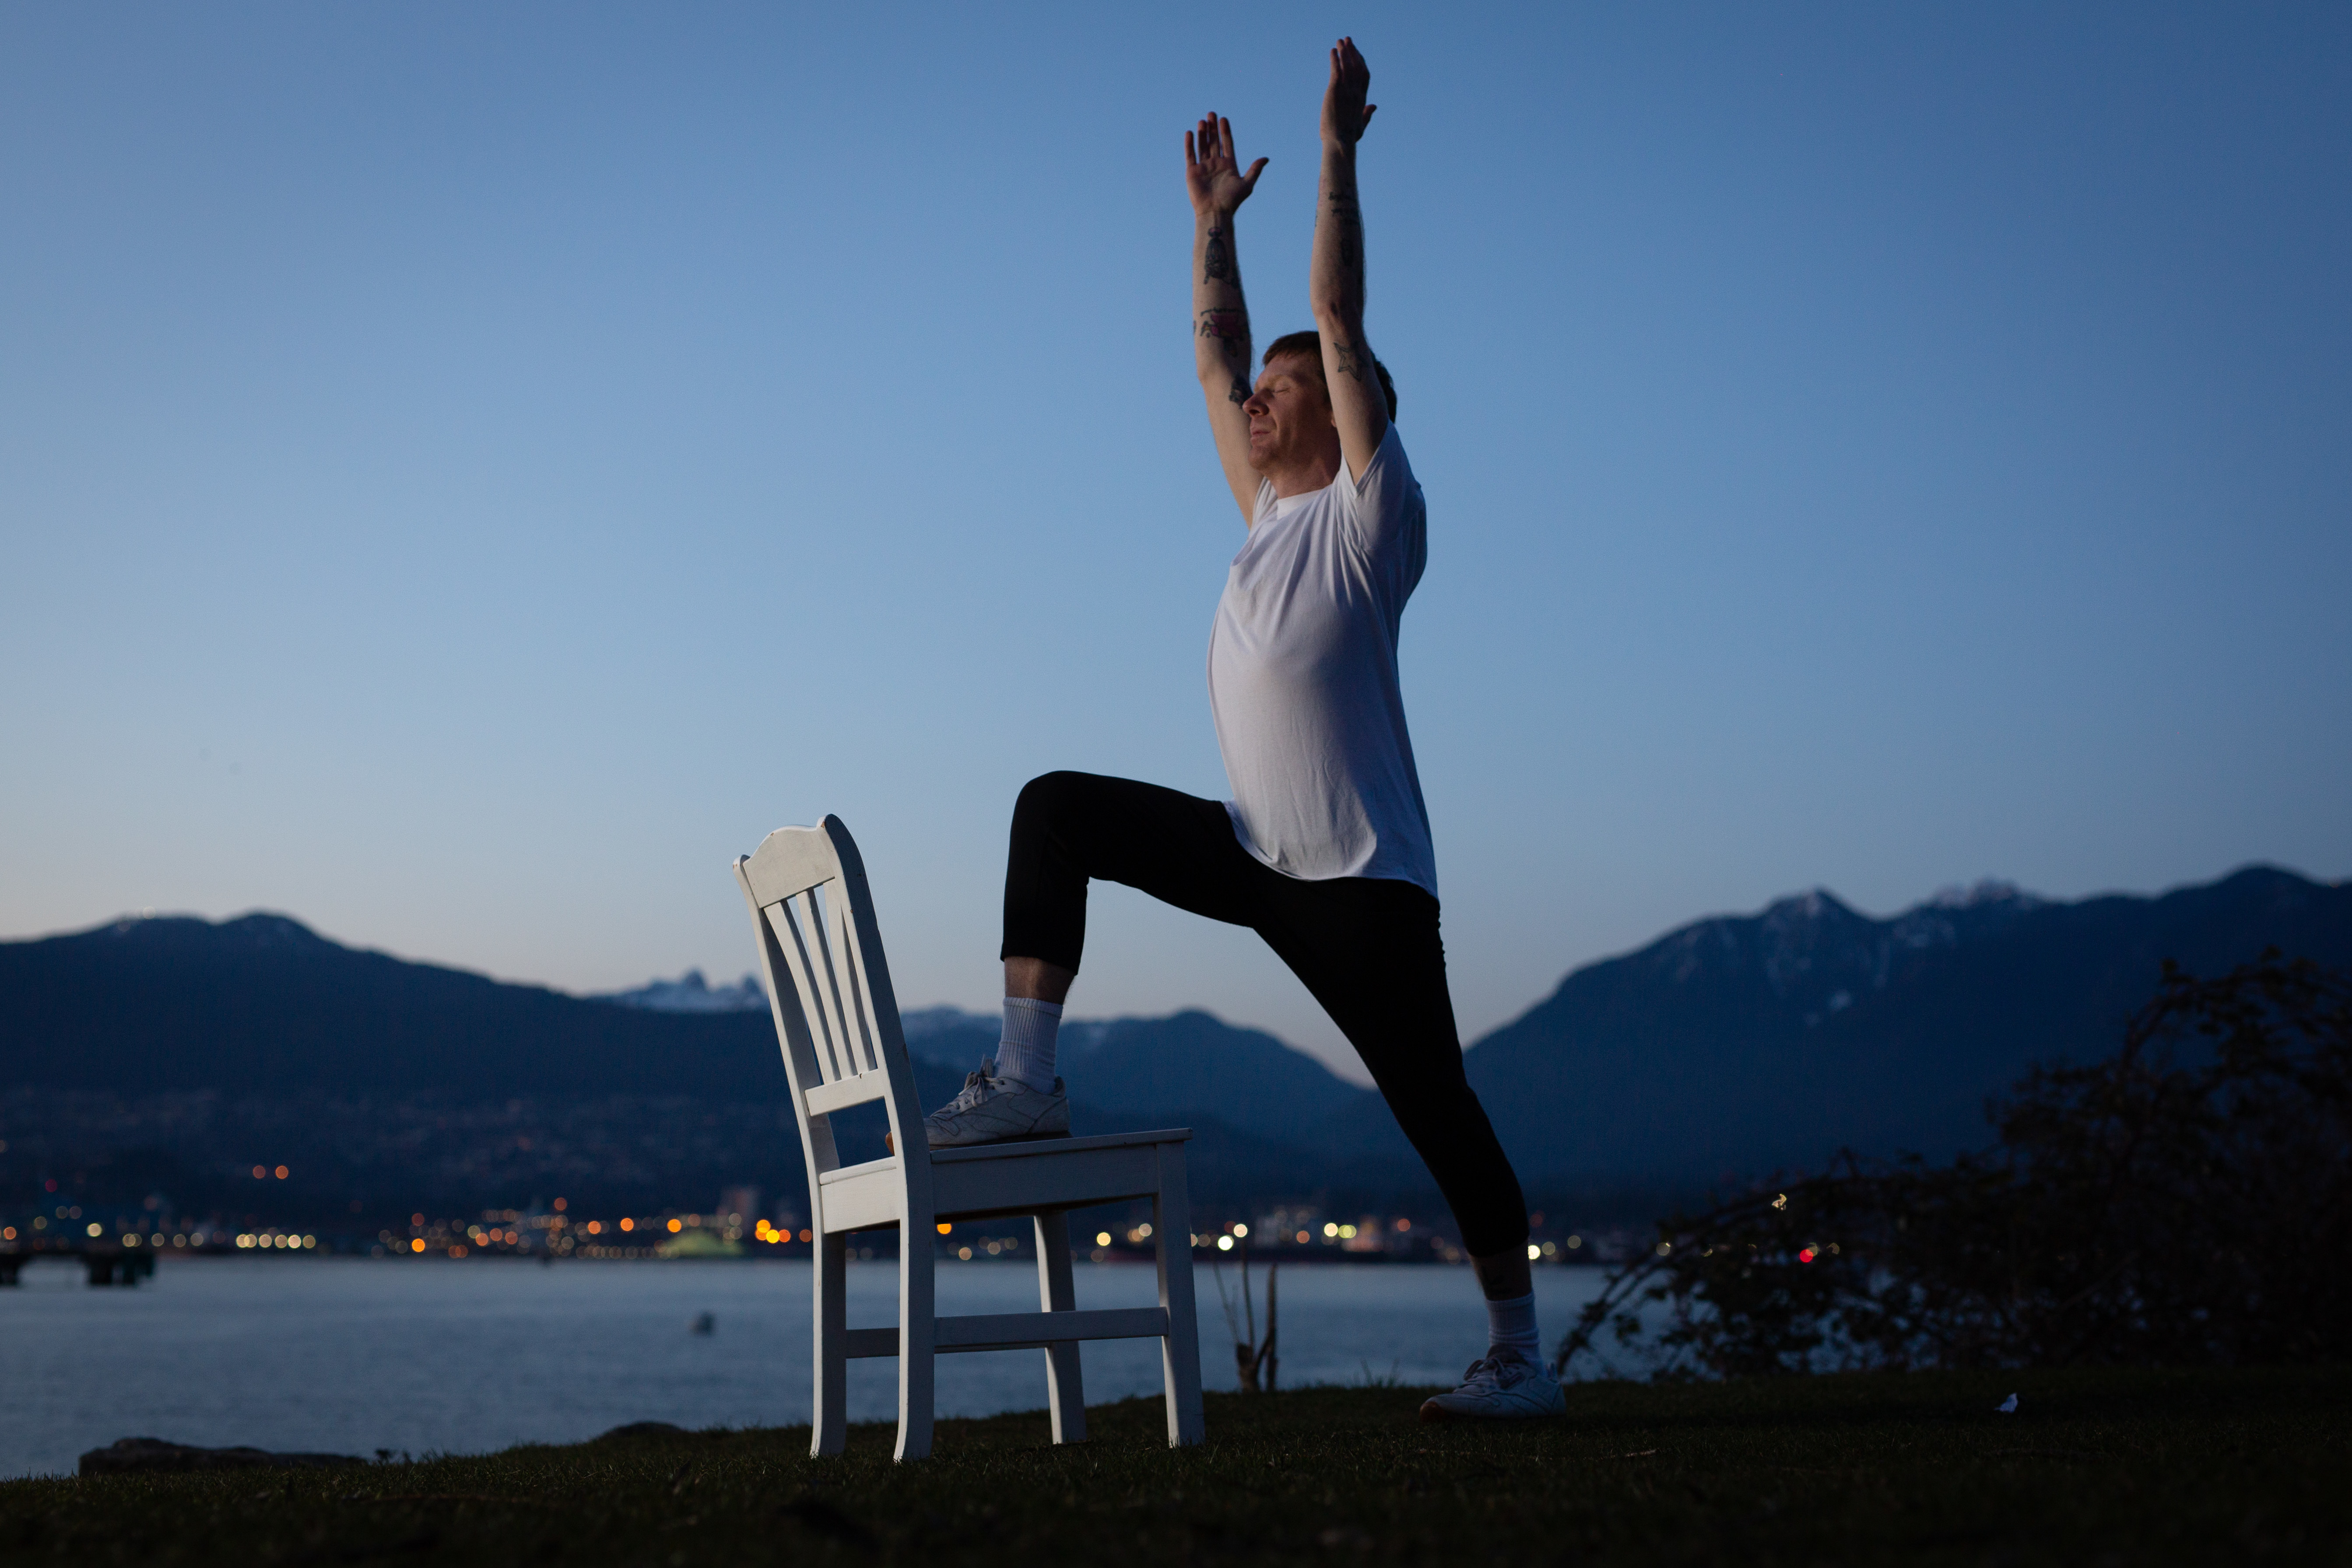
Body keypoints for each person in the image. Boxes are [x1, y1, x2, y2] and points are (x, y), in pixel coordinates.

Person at [920, 38, 1562, 1423]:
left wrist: (1334, 154)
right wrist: (1213, 232)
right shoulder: (1267, 520)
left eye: (1286, 387)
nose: (1254, 399)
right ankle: (1027, 1080)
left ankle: (1521, 1357)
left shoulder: (1370, 526)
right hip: (1254, 855)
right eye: (1259, 391)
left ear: (1339, 407)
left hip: (1364, 890)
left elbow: (1333, 315)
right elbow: (1218, 346)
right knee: (1058, 807)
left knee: (1439, 1114)